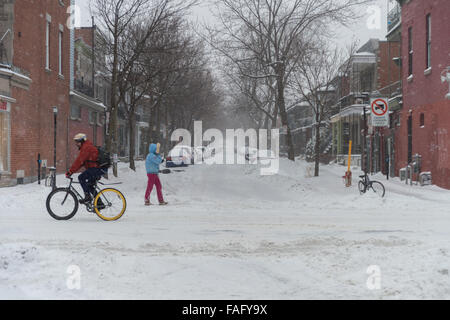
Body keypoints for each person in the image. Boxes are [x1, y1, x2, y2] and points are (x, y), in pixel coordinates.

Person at [66, 133, 106, 206]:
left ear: (82, 141)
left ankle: (87, 197)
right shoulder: (86, 147)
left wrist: (70, 171)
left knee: (81, 177)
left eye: (77, 142)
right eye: (76, 142)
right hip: (98, 169)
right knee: (89, 185)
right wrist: (71, 171)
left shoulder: (86, 147)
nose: (76, 144)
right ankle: (100, 203)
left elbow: (79, 161)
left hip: (96, 169)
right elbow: (81, 163)